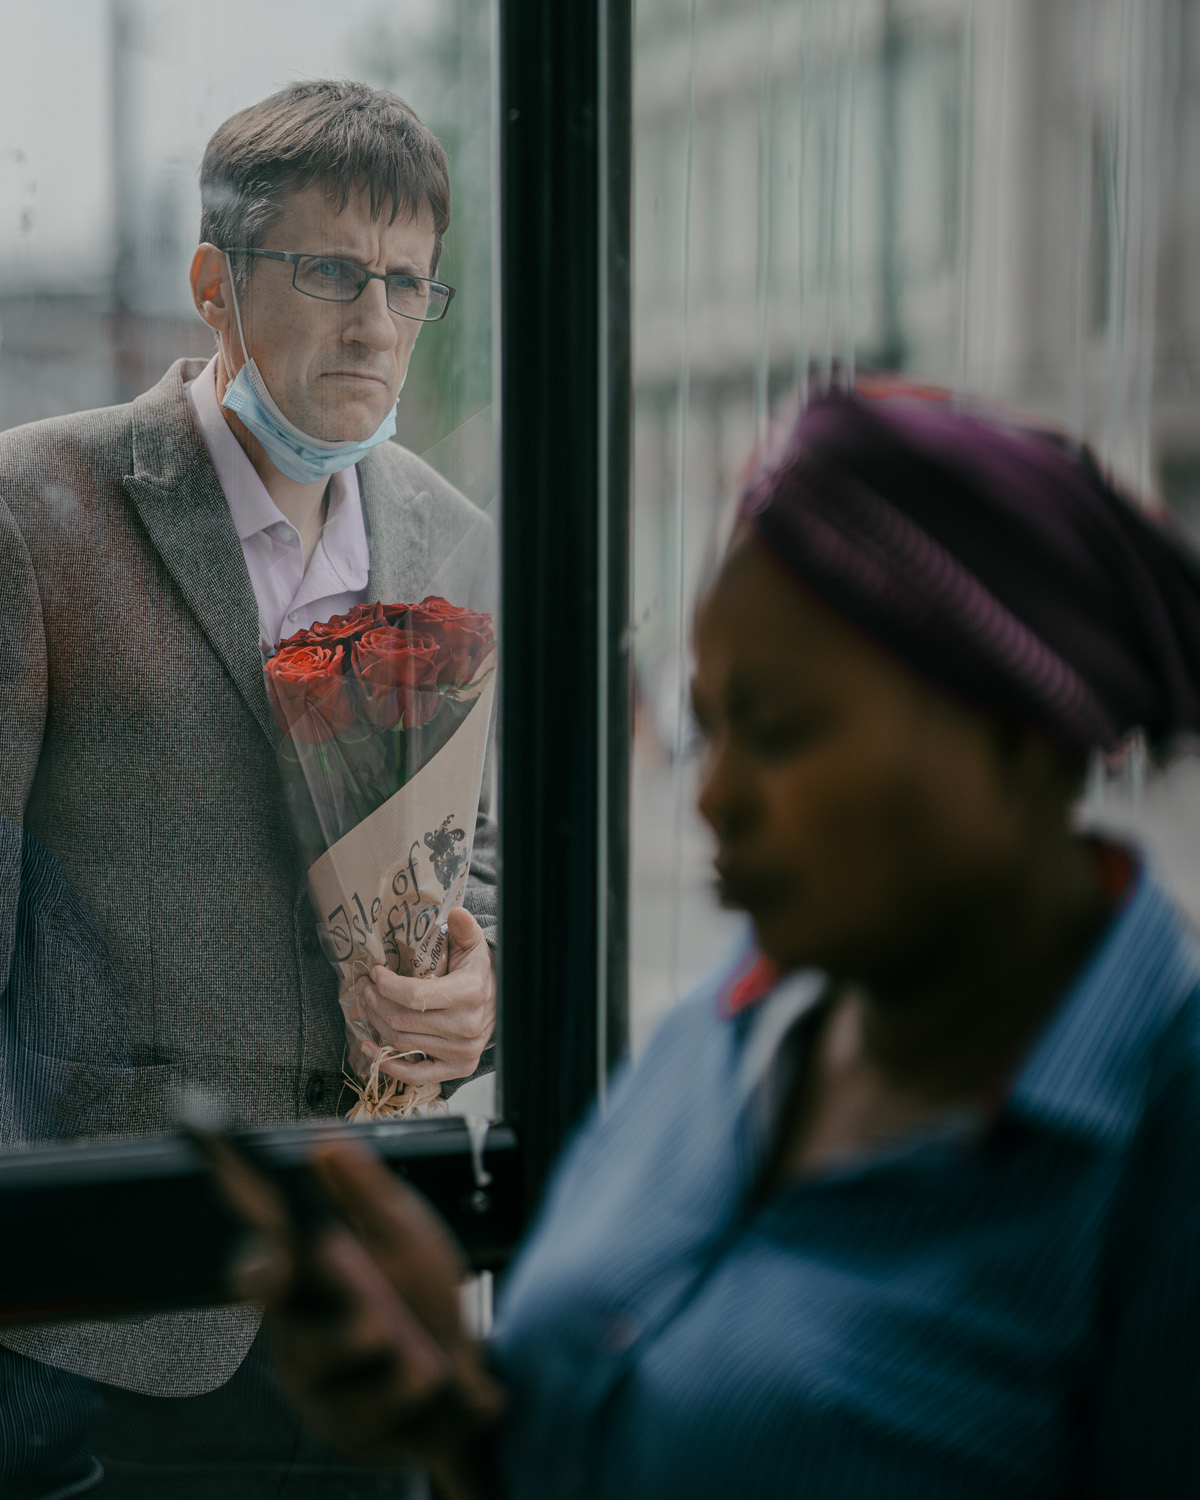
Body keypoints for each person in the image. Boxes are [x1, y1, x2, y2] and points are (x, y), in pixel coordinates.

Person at [226, 382, 1200, 1498]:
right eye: (712, 726)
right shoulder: (734, 1029)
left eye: (781, 732)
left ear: (1020, 742)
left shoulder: (1160, 1162)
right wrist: (454, 1407)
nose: (714, 799)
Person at [0, 80, 496, 1495]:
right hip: (107, 1312)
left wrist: (482, 982)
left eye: (409, 282)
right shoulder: (33, 511)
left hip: (373, 1286)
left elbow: (484, 849)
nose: (378, 322)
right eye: (333, 271)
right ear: (215, 285)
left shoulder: (448, 534)